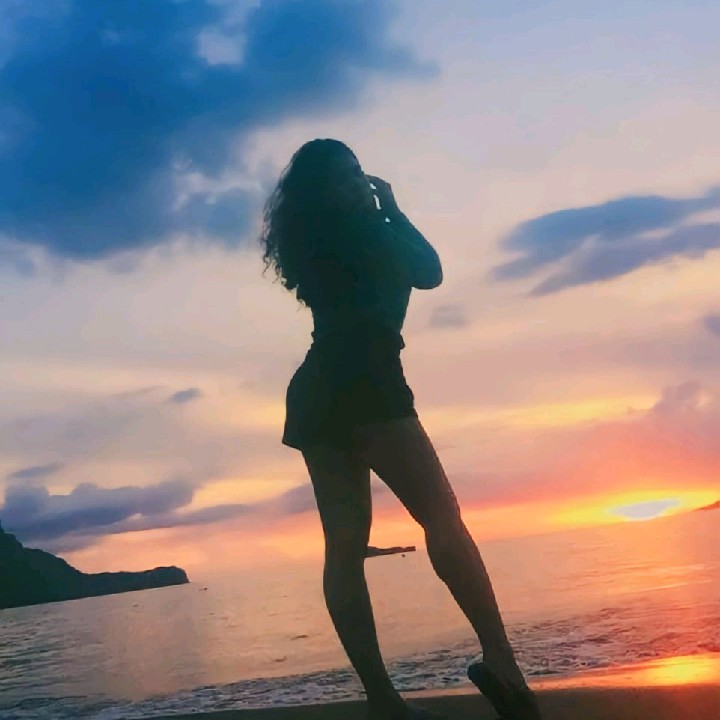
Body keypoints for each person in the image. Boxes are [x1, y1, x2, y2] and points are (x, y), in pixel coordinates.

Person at [259, 138, 542, 720]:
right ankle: (501, 663)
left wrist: (382, 214)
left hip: (319, 392)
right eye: (345, 175)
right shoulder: (365, 231)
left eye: (358, 171)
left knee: (345, 549)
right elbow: (430, 271)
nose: (357, 181)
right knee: (442, 518)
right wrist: (393, 209)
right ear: (324, 191)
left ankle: (383, 699)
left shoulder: (314, 241)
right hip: (366, 381)